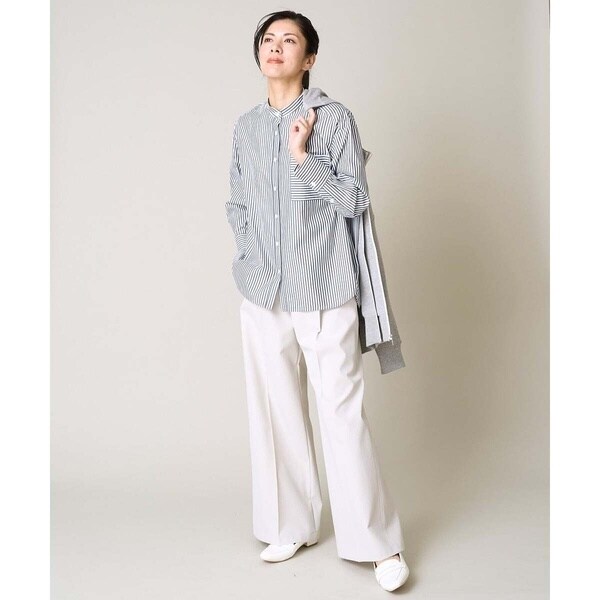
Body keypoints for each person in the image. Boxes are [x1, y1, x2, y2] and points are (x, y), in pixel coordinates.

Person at [225, 10, 409, 592]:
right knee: (276, 410)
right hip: (264, 291)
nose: (276, 47)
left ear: (309, 59)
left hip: (324, 288)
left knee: (341, 414)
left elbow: (354, 200)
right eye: (268, 39)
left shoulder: (334, 119)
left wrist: (304, 157)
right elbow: (237, 203)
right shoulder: (246, 127)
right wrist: (249, 259)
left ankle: (377, 544)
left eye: (290, 40)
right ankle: (290, 524)